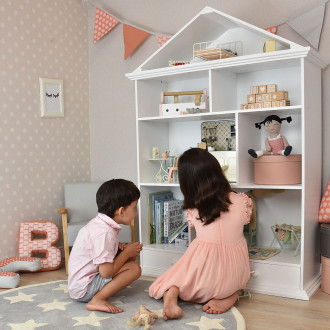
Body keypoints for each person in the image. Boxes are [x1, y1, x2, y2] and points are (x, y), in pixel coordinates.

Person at [149, 148, 252, 320]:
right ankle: (232, 294)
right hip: (236, 275)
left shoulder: (193, 208)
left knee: (170, 279)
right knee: (232, 280)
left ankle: (172, 292)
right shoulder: (243, 201)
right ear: (217, 171)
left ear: (187, 182)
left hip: (204, 277)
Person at [68, 179, 143, 313]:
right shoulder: (104, 233)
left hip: (80, 284)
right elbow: (106, 272)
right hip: (84, 289)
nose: (136, 211)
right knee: (134, 268)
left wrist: (120, 248)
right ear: (121, 211)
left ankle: (100, 294)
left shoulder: (100, 225)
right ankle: (97, 299)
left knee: (128, 258)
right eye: (135, 207)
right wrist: (126, 253)